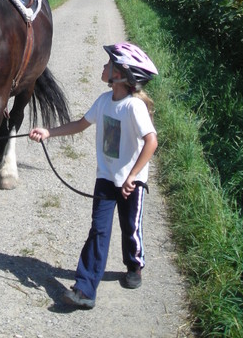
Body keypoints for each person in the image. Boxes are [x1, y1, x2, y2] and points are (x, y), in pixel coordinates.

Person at [29, 42, 158, 309]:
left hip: (130, 182)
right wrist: (49, 132)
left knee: (130, 228)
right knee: (98, 230)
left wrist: (133, 176)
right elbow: (80, 125)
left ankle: (134, 265)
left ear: (121, 74)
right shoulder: (103, 101)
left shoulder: (134, 107)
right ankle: (85, 289)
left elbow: (151, 142)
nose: (103, 66)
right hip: (106, 178)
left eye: (108, 63)